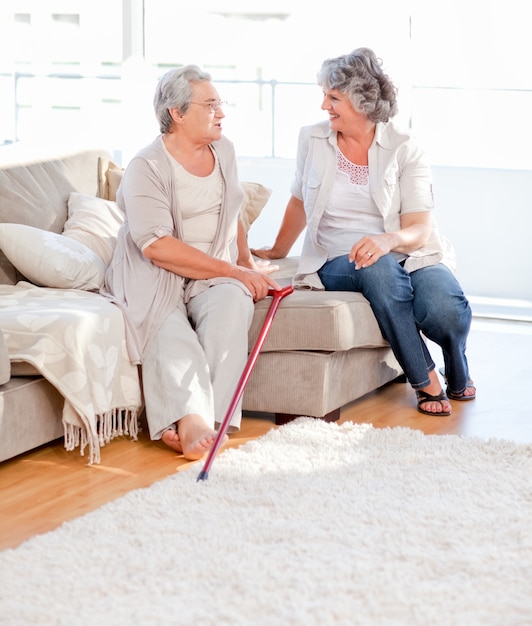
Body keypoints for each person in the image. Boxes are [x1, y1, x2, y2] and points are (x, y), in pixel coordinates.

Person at [252, 47, 475, 416]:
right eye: (325, 95)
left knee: (444, 309)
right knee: (379, 268)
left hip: (410, 251)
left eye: (334, 97)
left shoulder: (405, 148)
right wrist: (277, 250)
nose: (325, 105)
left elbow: (419, 228)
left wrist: (388, 240)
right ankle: (424, 378)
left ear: (363, 101)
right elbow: (297, 201)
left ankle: (456, 360)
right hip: (338, 257)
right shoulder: (312, 139)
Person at [101, 65, 279, 460]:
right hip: (154, 272)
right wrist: (234, 270)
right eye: (211, 104)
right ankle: (191, 421)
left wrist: (246, 263)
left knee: (232, 305)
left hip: (212, 269)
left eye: (221, 103)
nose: (222, 113)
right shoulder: (145, 167)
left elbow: (234, 211)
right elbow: (156, 247)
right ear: (177, 114)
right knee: (168, 328)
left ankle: (204, 421)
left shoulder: (224, 149)